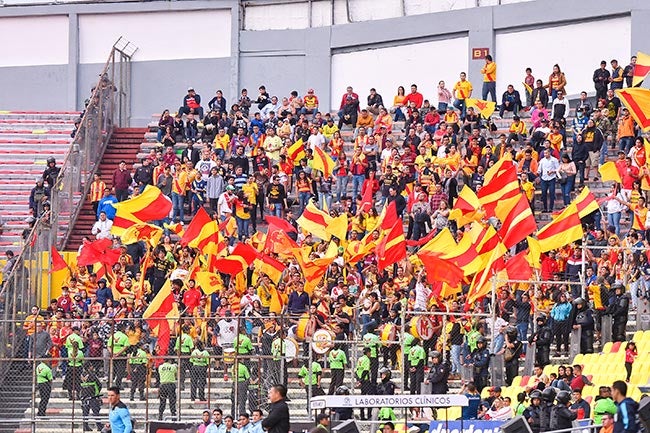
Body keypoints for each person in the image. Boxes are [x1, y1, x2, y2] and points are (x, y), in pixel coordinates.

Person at [80, 363, 103, 432]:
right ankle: (99, 426)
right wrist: (97, 392)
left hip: (84, 396)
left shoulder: (80, 375)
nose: (92, 367)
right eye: (91, 366)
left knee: (85, 413)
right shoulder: (92, 375)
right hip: (93, 396)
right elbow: (99, 384)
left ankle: (85, 426)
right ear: (89, 367)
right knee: (96, 412)